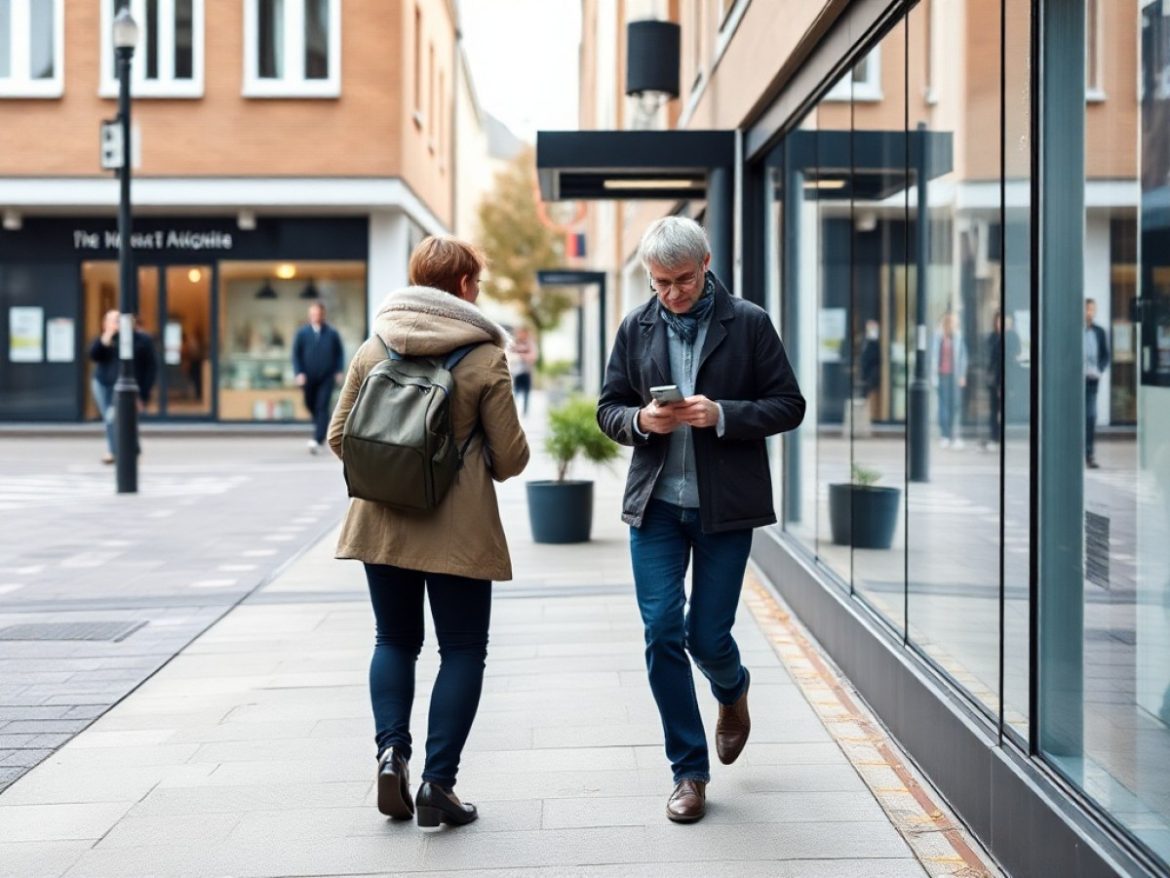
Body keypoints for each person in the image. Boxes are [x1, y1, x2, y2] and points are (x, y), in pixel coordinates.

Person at [597, 216, 805, 824]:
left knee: (707, 637)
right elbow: (608, 408)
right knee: (662, 629)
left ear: (706, 263)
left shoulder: (750, 323)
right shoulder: (635, 326)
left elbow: (788, 405)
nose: (672, 294)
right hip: (656, 506)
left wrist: (722, 414)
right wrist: (640, 421)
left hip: (725, 509)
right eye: (660, 282)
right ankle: (688, 772)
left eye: (683, 280)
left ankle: (732, 689)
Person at [327, 235, 529, 828]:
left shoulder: (376, 344)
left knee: (393, 639)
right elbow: (511, 458)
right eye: (478, 282)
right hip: (456, 530)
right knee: (462, 649)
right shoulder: (484, 356)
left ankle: (391, 753)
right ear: (464, 286)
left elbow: (340, 437)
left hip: (382, 522)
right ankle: (439, 784)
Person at [88, 310, 158, 464]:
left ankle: (129, 450)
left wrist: (143, 395)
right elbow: (93, 355)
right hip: (103, 384)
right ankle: (116, 451)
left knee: (123, 419)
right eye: (111, 320)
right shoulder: (105, 339)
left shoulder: (141, 340)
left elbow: (151, 368)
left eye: (118, 320)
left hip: (127, 388)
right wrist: (107, 336)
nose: (116, 324)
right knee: (110, 418)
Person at [292, 302, 344, 454]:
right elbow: (296, 355)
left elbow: (339, 353)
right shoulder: (302, 333)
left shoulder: (332, 333)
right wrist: (299, 373)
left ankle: (317, 439)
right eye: (313, 314)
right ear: (310, 315)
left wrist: (339, 370)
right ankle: (322, 424)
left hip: (326, 377)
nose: (316, 316)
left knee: (322, 406)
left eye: (318, 314)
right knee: (310, 404)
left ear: (323, 315)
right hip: (308, 377)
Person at [930, 311, 968, 449]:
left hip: (955, 377)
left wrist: (962, 375)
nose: (954, 324)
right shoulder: (938, 337)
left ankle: (955, 436)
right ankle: (944, 436)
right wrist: (933, 375)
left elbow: (963, 357)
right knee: (943, 407)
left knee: (955, 406)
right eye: (952, 322)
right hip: (942, 376)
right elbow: (932, 357)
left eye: (955, 322)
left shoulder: (958, 337)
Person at [1085, 298, 1110, 468]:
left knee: (1090, 416)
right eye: (1087, 309)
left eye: (1092, 309)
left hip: (1092, 380)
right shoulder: (1075, 330)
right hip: (1075, 381)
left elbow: (1105, 355)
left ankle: (1089, 455)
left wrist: (1099, 370)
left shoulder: (1099, 332)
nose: (1090, 312)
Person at [508, 325, 538, 415]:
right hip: (515, 373)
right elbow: (508, 354)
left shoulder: (530, 343)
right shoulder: (514, 343)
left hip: (526, 372)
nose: (519, 334)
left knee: (526, 393)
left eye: (521, 332)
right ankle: (514, 411)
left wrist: (520, 356)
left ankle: (525, 412)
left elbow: (533, 356)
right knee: (515, 392)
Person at [858, 318, 881, 418]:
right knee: (865, 397)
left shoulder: (875, 344)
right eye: (869, 328)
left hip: (872, 375)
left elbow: (873, 358)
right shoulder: (865, 341)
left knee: (869, 396)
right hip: (866, 375)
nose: (871, 330)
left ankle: (871, 416)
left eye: (873, 328)